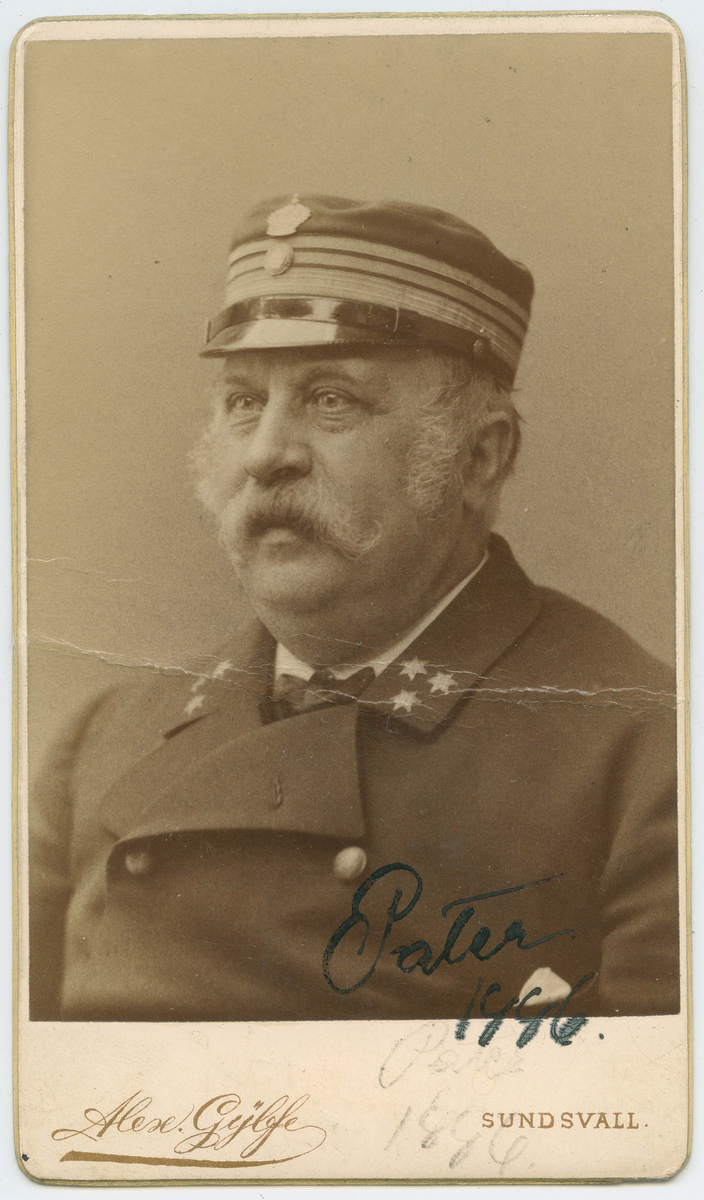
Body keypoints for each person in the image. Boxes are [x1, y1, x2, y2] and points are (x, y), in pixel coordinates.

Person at [29, 195, 679, 1023]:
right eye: (243, 402)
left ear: (479, 457)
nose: (267, 454)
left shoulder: (649, 758)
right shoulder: (99, 740)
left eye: (331, 400)